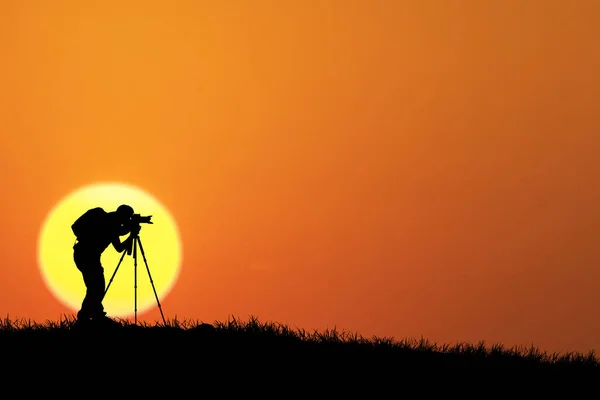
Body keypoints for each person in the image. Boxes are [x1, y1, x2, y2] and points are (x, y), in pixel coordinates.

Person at [72, 204, 140, 326]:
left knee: (95, 287)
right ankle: (84, 318)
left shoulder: (108, 220)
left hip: (83, 254)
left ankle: (96, 315)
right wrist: (131, 235)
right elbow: (119, 247)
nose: (127, 221)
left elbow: (120, 231)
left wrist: (130, 229)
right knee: (96, 287)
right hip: (88, 256)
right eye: (127, 218)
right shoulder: (111, 224)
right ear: (123, 216)